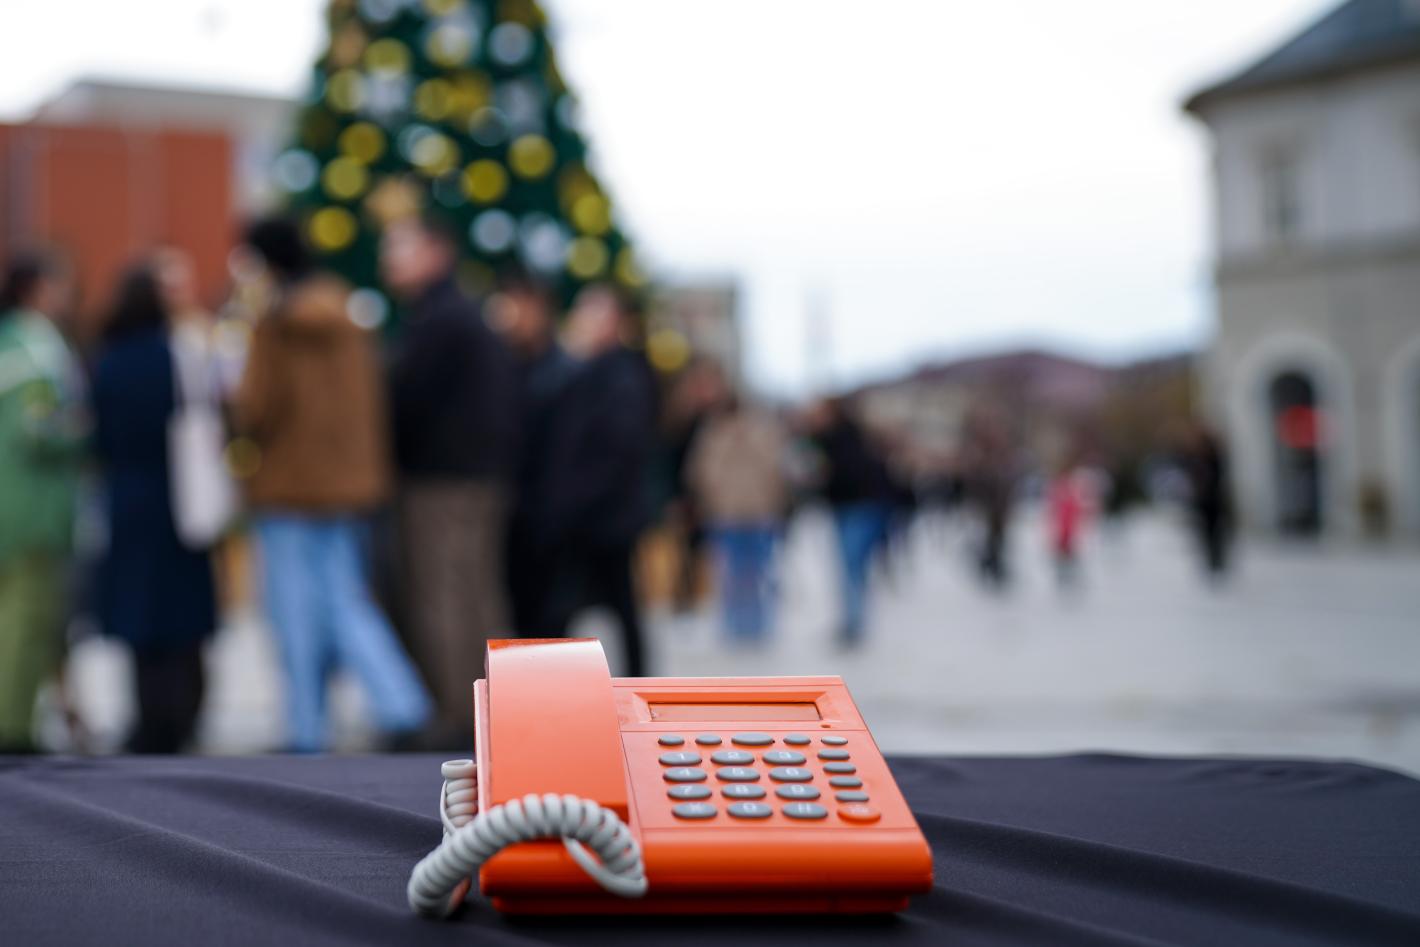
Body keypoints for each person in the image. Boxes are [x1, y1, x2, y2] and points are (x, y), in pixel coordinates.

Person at [232, 217, 429, 752]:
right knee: (347, 600)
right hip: (347, 486)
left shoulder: (274, 321)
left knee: (293, 613)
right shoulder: (347, 313)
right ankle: (400, 703)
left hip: (288, 485)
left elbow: (255, 407)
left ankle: (305, 728)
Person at [381, 214, 518, 744]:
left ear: (437, 252)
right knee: (474, 592)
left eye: (402, 245)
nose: (389, 258)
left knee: (445, 597)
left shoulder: (440, 319)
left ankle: (460, 715)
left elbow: (408, 402)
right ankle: (493, 708)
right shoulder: (457, 313)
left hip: (444, 481)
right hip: (472, 476)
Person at [91, 261, 217, 753]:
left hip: (128, 497)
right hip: (182, 495)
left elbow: (98, 435)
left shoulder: (109, 359)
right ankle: (186, 712)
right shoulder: (180, 354)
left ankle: (148, 718)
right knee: (184, 613)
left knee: (139, 615)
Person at [530, 284, 657, 675]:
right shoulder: (574, 369)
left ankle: (633, 685)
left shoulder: (623, 375)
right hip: (581, 515)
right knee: (586, 608)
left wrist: (573, 502)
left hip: (603, 518)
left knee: (609, 608)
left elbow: (617, 450)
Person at [0, 251, 85, 752]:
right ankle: (13, 729)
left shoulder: (9, 339)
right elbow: (38, 430)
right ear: (36, 288)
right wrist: (83, 430)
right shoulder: (37, 349)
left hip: (10, 504)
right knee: (27, 625)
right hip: (33, 507)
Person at [489, 264, 574, 638]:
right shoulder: (502, 365)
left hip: (550, 519)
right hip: (509, 512)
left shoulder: (565, 373)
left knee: (549, 625)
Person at [686, 395, 789, 642]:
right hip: (728, 514)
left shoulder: (763, 433)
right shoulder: (713, 435)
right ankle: (735, 625)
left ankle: (758, 624)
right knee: (732, 573)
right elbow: (701, 473)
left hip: (756, 512)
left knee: (757, 571)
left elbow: (776, 469)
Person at [808, 398, 894, 646]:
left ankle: (854, 623)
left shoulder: (842, 439)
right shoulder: (834, 439)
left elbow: (845, 474)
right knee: (852, 567)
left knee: (852, 566)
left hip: (859, 507)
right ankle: (853, 620)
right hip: (849, 507)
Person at [959, 405, 1017, 589]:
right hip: (988, 511)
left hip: (999, 511)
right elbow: (975, 486)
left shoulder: (1003, 460)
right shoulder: (981, 460)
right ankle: (990, 569)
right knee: (988, 542)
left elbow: (1008, 486)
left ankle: (995, 569)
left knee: (997, 542)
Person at [1179, 422, 1232, 579]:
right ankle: (1212, 562)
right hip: (1204, 500)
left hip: (1212, 499)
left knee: (1215, 531)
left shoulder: (1212, 455)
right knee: (1207, 531)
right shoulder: (1194, 456)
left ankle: (1217, 561)